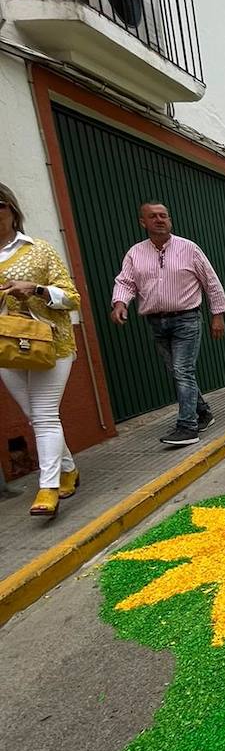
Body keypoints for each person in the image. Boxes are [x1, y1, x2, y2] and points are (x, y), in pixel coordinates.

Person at [111, 202, 225, 448]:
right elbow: (126, 282)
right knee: (176, 371)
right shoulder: (135, 253)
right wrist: (120, 303)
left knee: (182, 370)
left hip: (187, 318)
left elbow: (211, 282)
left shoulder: (189, 248)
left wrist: (218, 314)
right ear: (143, 222)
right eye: (153, 216)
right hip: (156, 322)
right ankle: (203, 412)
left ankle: (188, 426)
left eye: (163, 216)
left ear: (170, 220)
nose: (159, 220)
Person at [0, 181, 82, 518]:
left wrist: (34, 289)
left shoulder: (39, 250)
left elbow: (72, 297)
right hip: (6, 347)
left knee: (45, 414)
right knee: (37, 416)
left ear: (12, 210)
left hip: (50, 343)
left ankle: (48, 487)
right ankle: (69, 469)